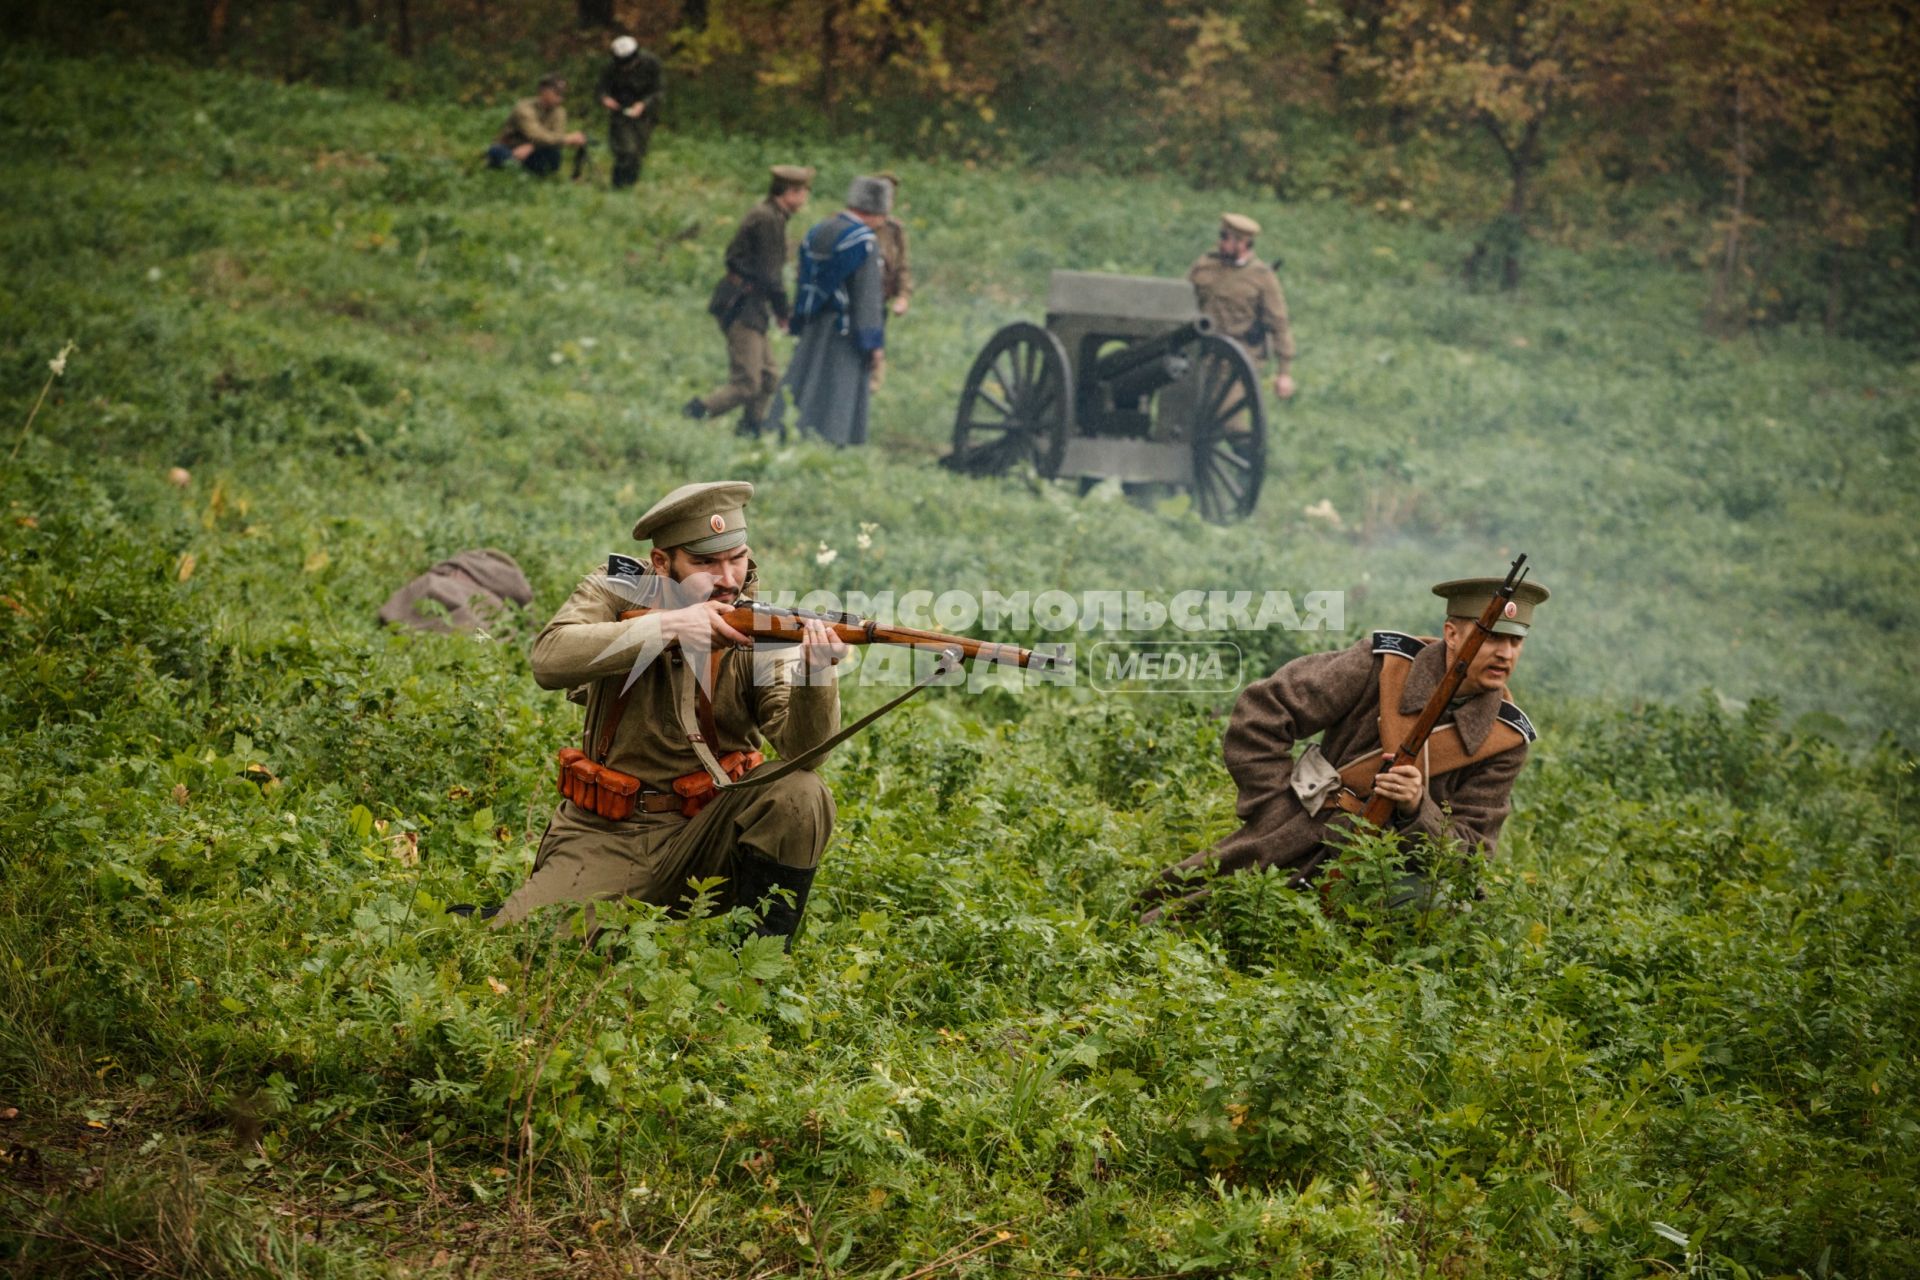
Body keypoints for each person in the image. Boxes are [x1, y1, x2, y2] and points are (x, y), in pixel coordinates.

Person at [495, 481, 845, 944]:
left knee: (802, 792)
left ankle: (759, 965)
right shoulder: (619, 590)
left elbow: (804, 752)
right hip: (607, 834)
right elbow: (549, 660)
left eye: (736, 557)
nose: (727, 578)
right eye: (704, 562)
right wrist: (671, 626)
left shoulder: (760, 623)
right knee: (522, 942)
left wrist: (816, 676)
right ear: (662, 563)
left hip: (708, 834)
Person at [1139, 574, 1549, 922]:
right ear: (1452, 634)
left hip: (1391, 875)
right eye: (1491, 637)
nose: (1505, 653)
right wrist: (1273, 808)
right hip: (1300, 836)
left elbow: (1470, 857)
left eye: (1516, 642)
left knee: (1435, 908)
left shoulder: (1504, 738)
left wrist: (1415, 809)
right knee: (1180, 915)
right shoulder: (1383, 665)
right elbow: (1264, 711)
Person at [685, 166, 815, 439]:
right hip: (742, 304)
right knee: (747, 383)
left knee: (768, 378)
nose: (805, 198)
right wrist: (784, 312)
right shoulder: (768, 220)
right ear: (790, 192)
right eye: (803, 192)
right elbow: (770, 275)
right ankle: (695, 413)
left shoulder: (772, 215)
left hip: (751, 303)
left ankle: (750, 427)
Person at [773, 176, 890, 446]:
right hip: (843, 327)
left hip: (813, 319)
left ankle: (786, 429)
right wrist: (873, 343)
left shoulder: (818, 231)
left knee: (804, 376)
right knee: (838, 386)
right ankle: (832, 439)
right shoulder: (863, 241)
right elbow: (867, 296)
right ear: (875, 211)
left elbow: (804, 278)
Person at [1189, 213, 1296, 402]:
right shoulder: (1205, 264)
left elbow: (1279, 324)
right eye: (1221, 235)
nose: (1220, 242)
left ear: (1243, 243)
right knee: (1183, 414)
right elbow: (1180, 298)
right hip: (1200, 353)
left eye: (1225, 237)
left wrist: (1284, 373)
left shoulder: (1261, 277)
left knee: (1228, 421)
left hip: (1237, 359)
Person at [486, 75, 587, 178]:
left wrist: (532, 147)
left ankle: (527, 172)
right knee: (496, 151)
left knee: (554, 155)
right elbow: (537, 135)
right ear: (543, 91)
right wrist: (567, 138)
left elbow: (555, 139)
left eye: (563, 93)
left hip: (536, 149)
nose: (561, 97)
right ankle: (516, 171)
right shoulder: (524, 108)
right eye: (557, 92)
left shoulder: (560, 112)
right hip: (511, 148)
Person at [595, 36, 663, 190]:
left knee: (638, 152)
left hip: (645, 113)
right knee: (626, 151)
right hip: (620, 112)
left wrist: (643, 104)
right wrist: (605, 99)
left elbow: (658, 90)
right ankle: (617, 186)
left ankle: (629, 186)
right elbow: (601, 89)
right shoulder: (610, 68)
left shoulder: (651, 63)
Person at [868, 172, 913, 393]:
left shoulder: (894, 230)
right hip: (857, 301)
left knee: (876, 356)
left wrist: (903, 296)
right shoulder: (860, 225)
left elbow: (903, 266)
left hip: (879, 301)